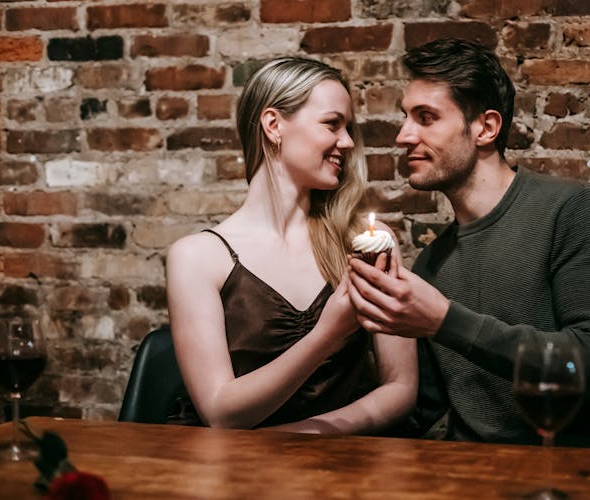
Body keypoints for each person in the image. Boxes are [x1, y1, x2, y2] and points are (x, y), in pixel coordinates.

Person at [347, 38, 590, 449]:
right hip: (479, 476)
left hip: (586, 474)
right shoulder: (431, 265)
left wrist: (444, 320)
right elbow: (417, 411)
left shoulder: (575, 212)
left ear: (486, 128)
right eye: (406, 117)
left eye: (426, 117)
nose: (403, 135)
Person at [166, 57, 416, 433]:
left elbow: (401, 387)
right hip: (229, 469)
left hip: (337, 463)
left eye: (348, 128)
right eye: (332, 124)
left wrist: (306, 434)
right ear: (273, 125)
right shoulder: (197, 257)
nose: (347, 142)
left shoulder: (367, 242)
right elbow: (219, 412)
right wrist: (327, 334)